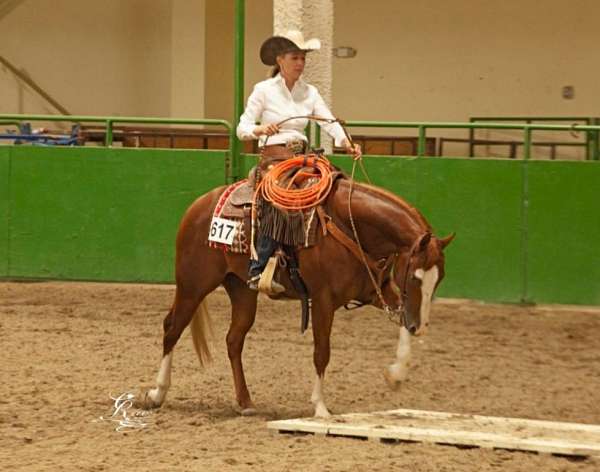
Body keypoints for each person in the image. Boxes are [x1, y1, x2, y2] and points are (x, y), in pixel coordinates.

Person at [237, 30, 361, 291]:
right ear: (280, 60)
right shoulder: (263, 90)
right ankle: (258, 269)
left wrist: (346, 143)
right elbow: (242, 128)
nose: (300, 63)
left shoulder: (310, 92)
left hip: (302, 159)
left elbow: (329, 122)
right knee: (282, 197)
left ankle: (320, 262)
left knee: (334, 187)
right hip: (274, 158)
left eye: (303, 58)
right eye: (295, 57)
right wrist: (260, 130)